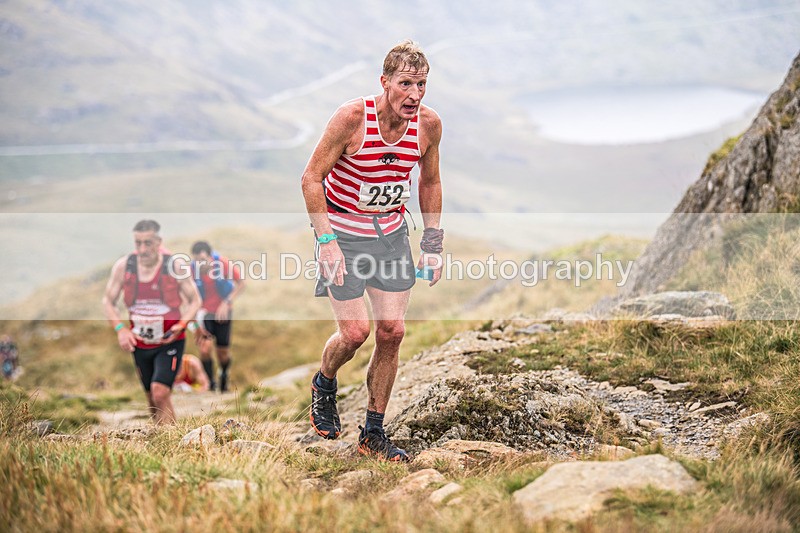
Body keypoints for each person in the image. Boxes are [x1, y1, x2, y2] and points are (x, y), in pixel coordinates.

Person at [300, 40, 444, 461]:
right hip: (341, 236)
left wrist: (432, 244)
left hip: (391, 237)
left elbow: (430, 183)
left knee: (393, 332)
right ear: (384, 82)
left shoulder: (428, 126)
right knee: (355, 333)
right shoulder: (351, 118)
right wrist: (326, 242)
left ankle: (373, 433)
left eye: (422, 85)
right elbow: (311, 178)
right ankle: (325, 381)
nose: (414, 95)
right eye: (405, 84)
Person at [102, 220, 201, 424]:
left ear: (158, 242)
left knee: (160, 392)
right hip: (140, 342)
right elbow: (108, 301)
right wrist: (121, 330)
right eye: (138, 243)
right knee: (152, 397)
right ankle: (163, 438)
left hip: (169, 341)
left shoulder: (174, 265)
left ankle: (172, 441)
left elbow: (195, 300)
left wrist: (181, 325)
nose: (142, 249)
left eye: (148, 243)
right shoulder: (124, 266)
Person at [190, 241, 245, 392]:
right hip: (203, 313)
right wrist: (193, 321)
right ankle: (210, 384)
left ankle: (224, 374)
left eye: (203, 260)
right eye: (197, 261)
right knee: (205, 349)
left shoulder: (222, 264)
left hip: (223, 312)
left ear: (210, 257)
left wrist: (227, 302)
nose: (201, 264)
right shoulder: (191, 269)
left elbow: (241, 283)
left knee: (223, 353)